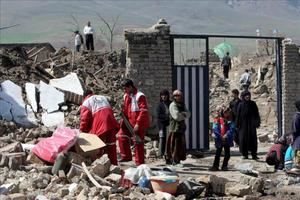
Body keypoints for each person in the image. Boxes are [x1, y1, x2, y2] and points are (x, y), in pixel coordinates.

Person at [80, 90, 119, 165]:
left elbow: (84, 119)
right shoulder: (103, 97)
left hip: (100, 125)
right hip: (111, 122)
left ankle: (100, 166)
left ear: (84, 97)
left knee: (98, 147)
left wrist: (82, 131)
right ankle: (114, 165)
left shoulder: (86, 102)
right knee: (111, 145)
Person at [118, 79, 150, 166]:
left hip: (138, 122)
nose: (125, 90)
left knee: (138, 141)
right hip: (128, 121)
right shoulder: (126, 96)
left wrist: (138, 124)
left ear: (130, 87)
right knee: (121, 136)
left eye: (126, 88)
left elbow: (143, 111)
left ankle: (139, 162)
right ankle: (126, 156)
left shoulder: (140, 96)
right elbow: (126, 108)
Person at [166, 89, 190, 166]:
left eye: (179, 95)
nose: (177, 97)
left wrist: (182, 114)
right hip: (174, 129)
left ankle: (178, 160)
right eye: (175, 95)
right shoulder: (173, 105)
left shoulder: (182, 105)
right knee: (174, 146)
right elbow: (176, 117)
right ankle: (174, 161)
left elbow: (189, 114)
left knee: (180, 146)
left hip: (181, 129)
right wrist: (184, 114)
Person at [236, 91, 261, 160]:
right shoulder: (240, 105)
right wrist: (237, 124)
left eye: (248, 95)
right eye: (246, 95)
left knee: (253, 139)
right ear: (243, 96)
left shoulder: (253, 104)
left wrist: (257, 122)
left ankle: (254, 154)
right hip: (243, 126)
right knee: (243, 139)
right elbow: (238, 115)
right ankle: (244, 154)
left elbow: (256, 114)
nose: (247, 96)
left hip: (251, 125)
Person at [210, 106, 235, 171]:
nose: (227, 114)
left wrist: (226, 135)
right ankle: (215, 166)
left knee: (227, 154)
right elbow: (215, 129)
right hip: (219, 139)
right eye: (225, 112)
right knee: (218, 153)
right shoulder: (217, 119)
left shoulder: (230, 120)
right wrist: (220, 136)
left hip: (227, 139)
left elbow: (232, 129)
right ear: (222, 112)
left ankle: (224, 166)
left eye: (228, 112)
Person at [156, 89, 172, 159]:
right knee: (162, 138)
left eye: (165, 95)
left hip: (169, 125)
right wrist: (167, 117)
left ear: (167, 96)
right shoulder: (159, 105)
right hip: (162, 125)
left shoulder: (171, 103)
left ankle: (167, 154)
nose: (164, 97)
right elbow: (159, 116)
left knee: (169, 139)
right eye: (162, 95)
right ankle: (160, 154)